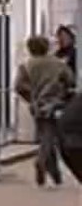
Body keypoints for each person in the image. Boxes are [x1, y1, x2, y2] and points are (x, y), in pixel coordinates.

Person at [14, 35, 75, 188]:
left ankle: (55, 174)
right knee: (51, 138)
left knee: (46, 137)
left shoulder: (26, 66)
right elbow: (70, 81)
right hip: (56, 104)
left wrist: (31, 97)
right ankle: (41, 162)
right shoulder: (58, 64)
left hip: (37, 105)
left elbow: (19, 86)